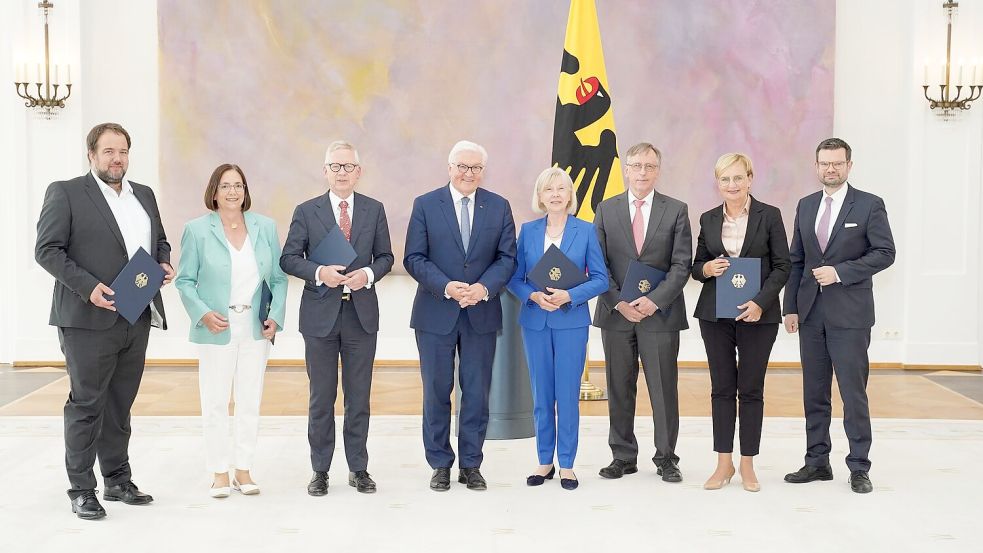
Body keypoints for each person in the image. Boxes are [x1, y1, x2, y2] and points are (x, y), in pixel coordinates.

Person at [35, 122, 175, 520]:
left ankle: (116, 479)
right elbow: (47, 250)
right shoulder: (66, 193)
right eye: (109, 151)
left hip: (136, 311)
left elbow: (159, 239)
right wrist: (89, 287)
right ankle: (81, 488)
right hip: (86, 317)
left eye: (124, 151)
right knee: (87, 403)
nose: (117, 159)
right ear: (92, 155)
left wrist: (163, 260)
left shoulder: (143, 195)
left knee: (120, 403)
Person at [280, 141, 394, 495]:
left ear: (358, 172)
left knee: (358, 398)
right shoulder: (306, 210)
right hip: (320, 317)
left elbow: (386, 257)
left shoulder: (374, 210)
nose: (342, 172)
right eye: (335, 166)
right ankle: (320, 470)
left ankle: (358, 469)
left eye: (348, 166)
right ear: (325, 170)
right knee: (321, 398)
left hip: (361, 316)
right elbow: (288, 258)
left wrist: (369, 275)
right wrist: (318, 272)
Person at [782, 138, 895, 494]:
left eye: (837, 163)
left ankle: (859, 466)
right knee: (814, 394)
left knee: (852, 393)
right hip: (811, 316)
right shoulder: (805, 205)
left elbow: (885, 253)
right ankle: (817, 462)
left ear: (849, 165)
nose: (830, 169)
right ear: (816, 166)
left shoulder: (869, 205)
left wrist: (840, 272)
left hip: (850, 316)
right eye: (824, 163)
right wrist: (791, 307)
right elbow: (796, 260)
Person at [403, 140, 517, 492]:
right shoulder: (425, 204)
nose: (469, 174)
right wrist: (448, 286)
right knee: (436, 391)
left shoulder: (498, 206)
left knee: (477, 392)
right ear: (450, 168)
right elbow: (414, 257)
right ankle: (439, 463)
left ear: (483, 171)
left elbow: (507, 258)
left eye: (476, 168)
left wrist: (483, 288)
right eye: (463, 167)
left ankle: (471, 464)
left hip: (481, 312)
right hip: (435, 312)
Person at [175, 163, 288, 498]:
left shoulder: (264, 227)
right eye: (225, 185)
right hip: (217, 326)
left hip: (255, 327)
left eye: (238, 185)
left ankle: (243, 469)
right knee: (215, 400)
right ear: (214, 191)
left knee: (250, 400)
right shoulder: (196, 230)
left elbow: (279, 278)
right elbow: (184, 281)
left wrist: (275, 316)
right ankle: (219, 472)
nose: (233, 191)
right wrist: (203, 313)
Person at [593, 142, 692, 483]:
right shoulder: (605, 210)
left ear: (658, 170)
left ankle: (666, 458)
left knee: (663, 388)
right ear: (626, 169)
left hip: (659, 314)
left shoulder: (676, 210)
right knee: (619, 387)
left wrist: (655, 301)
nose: (642, 172)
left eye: (649, 166)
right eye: (636, 165)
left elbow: (682, 265)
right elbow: (598, 263)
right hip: (616, 313)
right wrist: (618, 301)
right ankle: (623, 456)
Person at [691, 153, 790, 492]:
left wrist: (761, 303)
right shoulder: (706, 219)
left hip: (758, 316)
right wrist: (706, 269)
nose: (731, 185)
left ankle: (748, 464)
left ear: (750, 178)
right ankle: (723, 463)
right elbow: (696, 265)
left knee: (750, 390)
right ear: (717, 183)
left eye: (737, 178)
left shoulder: (770, 216)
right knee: (721, 389)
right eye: (724, 179)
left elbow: (783, 266)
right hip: (715, 315)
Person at [506, 167, 608, 491]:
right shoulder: (529, 231)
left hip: (571, 323)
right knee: (541, 395)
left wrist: (569, 295)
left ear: (569, 195)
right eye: (548, 189)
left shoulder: (586, 230)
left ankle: (567, 464)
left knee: (566, 396)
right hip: (535, 321)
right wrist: (532, 295)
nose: (555, 194)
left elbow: (601, 279)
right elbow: (514, 277)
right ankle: (544, 460)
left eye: (561, 189)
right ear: (540, 196)